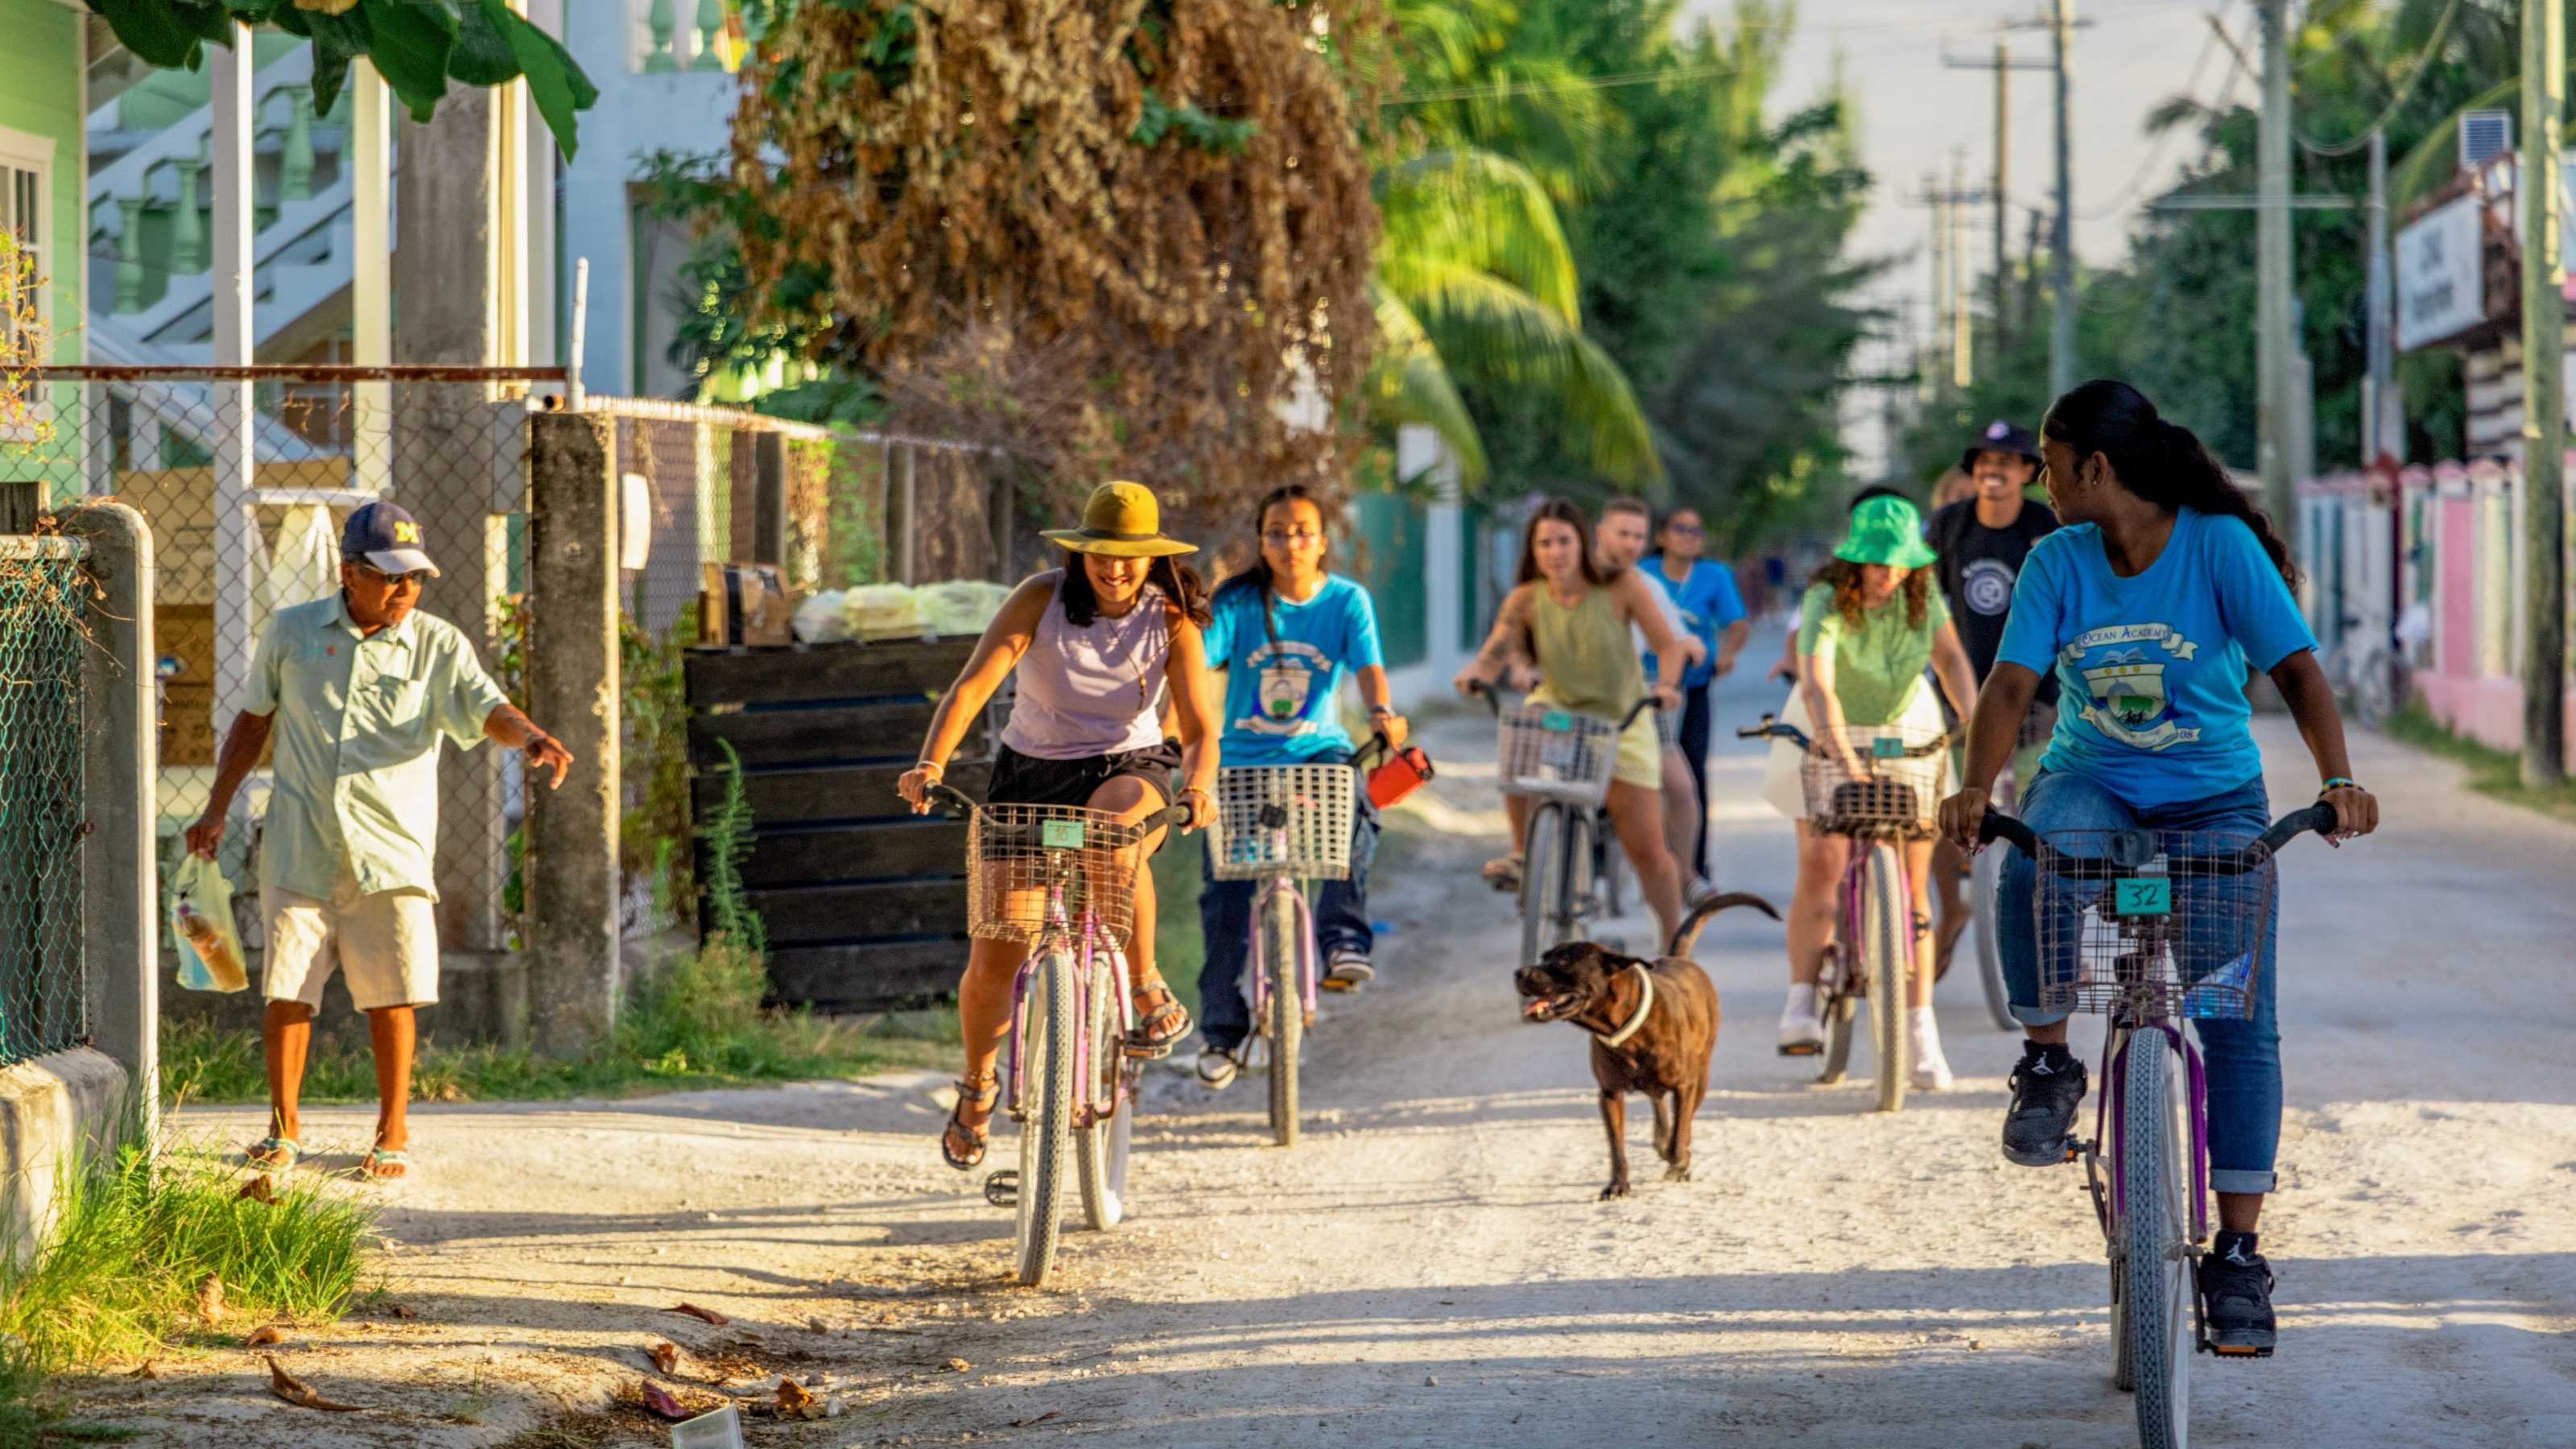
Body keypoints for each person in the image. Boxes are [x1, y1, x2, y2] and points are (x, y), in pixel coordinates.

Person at [1938, 379, 2380, 1356]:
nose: (2044, 483)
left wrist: (2337, 779)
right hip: (2090, 782)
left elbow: (2295, 670)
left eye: (2052, 466)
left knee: (2234, 1018)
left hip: (2213, 798)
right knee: (2034, 862)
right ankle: (2046, 1061)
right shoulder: (2055, 559)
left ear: (2096, 467)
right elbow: (2010, 683)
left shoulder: (2217, 546)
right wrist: (1974, 789)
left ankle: (2236, 1254)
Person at [184, 502, 575, 1182]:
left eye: (414, 578)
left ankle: (392, 1133)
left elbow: (487, 707)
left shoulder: (438, 644)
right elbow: (253, 724)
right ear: (350, 573)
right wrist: (217, 808)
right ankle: (282, 1130)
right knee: (287, 991)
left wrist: (531, 738)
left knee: (393, 994)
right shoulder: (292, 633)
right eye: (391, 577)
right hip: (301, 843)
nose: (405, 591)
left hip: (390, 850)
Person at [897, 481, 1221, 1170]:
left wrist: (1198, 787)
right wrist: (930, 762)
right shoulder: (1039, 599)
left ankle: (1144, 979)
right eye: (1101, 553)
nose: (1114, 568)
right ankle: (979, 1085)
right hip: (1032, 775)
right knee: (997, 951)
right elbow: (973, 687)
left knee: (1112, 835)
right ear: (1079, 553)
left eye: (1130, 556)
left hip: (1127, 767)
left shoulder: (1171, 620)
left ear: (1154, 558)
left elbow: (1198, 730)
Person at [1192, 485, 1409, 1088]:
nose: (1291, 543)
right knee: (1223, 898)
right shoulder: (1237, 602)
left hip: (1318, 751)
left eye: (1303, 531)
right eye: (1277, 533)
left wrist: (1383, 712)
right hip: (1240, 761)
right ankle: (1220, 1033)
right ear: (1261, 541)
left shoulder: (1347, 600)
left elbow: (1369, 668)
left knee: (1356, 807)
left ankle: (1343, 941)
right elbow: (1197, 660)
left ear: (1322, 540)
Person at [1764, 495, 1978, 1088]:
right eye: (1878, 562)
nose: (1888, 573)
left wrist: (1976, 721)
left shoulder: (1924, 596)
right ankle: (1802, 998)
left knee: (1913, 882)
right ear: (1856, 559)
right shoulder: (1825, 597)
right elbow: (1817, 680)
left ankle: (1920, 1031)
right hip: (1824, 722)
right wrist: (1836, 744)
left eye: (1899, 562)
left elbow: (1952, 661)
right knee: (1821, 858)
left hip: (1904, 723)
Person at [1455, 499, 1690, 948]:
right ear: (1532, 550)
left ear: (1583, 543)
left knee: (1647, 850)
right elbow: (1493, 653)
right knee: (1520, 736)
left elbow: (1669, 646)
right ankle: (1522, 854)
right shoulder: (1526, 599)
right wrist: (1475, 675)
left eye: (1564, 541)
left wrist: (1666, 686)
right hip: (1561, 717)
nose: (1555, 553)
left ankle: (1674, 946)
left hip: (1621, 722)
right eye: (1544, 544)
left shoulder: (1623, 587)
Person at [1926, 419, 2059, 970]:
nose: (1993, 471)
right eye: (1984, 462)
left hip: (2037, 698)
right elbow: (1922, 603)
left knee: (2039, 818)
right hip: (1962, 699)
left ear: (2028, 471)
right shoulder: (1949, 525)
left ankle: (2052, 931)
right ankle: (1953, 909)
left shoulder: (2046, 525)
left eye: (2005, 462)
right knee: (1948, 811)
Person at [1595, 498, 1711, 900]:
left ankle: (1686, 875)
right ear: (1601, 533)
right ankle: (1532, 858)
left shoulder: (1646, 586)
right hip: (1573, 698)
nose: (1630, 543)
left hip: (1634, 697)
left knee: (1680, 787)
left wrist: (1670, 680)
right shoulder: (1570, 578)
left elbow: (1673, 640)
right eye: (1622, 534)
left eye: (1638, 536)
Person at [1643, 504, 1751, 898]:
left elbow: (1737, 624)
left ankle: (1694, 869)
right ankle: (1604, 856)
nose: (1689, 537)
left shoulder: (1714, 575)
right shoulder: (1642, 574)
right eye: (1680, 528)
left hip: (1691, 685)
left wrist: (1726, 654)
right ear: (1661, 536)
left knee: (1691, 773)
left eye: (1696, 530)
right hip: (1641, 684)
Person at [1771, 484, 1918, 686]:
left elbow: (1948, 653)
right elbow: (1800, 629)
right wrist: (1794, 663)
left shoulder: (1920, 580)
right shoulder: (1830, 583)